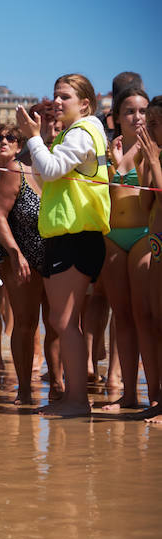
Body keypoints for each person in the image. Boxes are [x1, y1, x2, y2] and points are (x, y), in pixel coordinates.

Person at [16, 73, 112, 417]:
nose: (57, 101)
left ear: (85, 104)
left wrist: (33, 137)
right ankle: (74, 396)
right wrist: (39, 140)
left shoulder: (82, 132)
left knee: (65, 321)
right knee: (63, 321)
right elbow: (48, 175)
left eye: (65, 96)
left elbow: (51, 170)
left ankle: (77, 400)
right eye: (55, 95)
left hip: (76, 236)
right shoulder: (77, 132)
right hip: (70, 235)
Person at [0, 123, 60, 404]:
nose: (52, 134)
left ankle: (57, 386)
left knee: (57, 325)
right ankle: (24, 389)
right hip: (21, 256)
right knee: (25, 324)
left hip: (56, 256)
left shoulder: (62, 170)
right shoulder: (16, 170)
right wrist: (15, 252)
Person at [98, 87, 155, 411]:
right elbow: (103, 194)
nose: (137, 117)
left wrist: (129, 162)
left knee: (145, 316)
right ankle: (129, 394)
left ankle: (154, 395)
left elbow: (148, 198)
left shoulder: (155, 149)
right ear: (117, 118)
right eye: (130, 111)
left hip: (145, 235)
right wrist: (116, 163)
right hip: (113, 236)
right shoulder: (108, 152)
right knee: (121, 316)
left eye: (142, 111)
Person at [137, 95, 162, 421]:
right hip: (156, 244)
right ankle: (157, 399)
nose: (148, 129)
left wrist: (154, 162)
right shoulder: (155, 156)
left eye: (154, 123)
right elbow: (145, 207)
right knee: (156, 322)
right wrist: (146, 165)